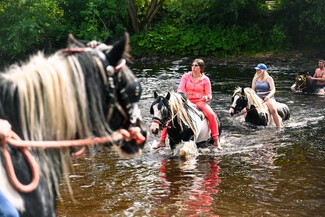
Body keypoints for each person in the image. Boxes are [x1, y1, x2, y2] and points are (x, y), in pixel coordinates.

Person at [154, 59, 222, 150]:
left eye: (196, 66)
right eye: (193, 65)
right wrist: (181, 95)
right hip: (186, 101)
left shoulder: (206, 79)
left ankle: (216, 140)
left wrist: (207, 97)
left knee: (211, 115)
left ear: (201, 68)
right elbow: (180, 89)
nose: (193, 67)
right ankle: (162, 141)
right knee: (169, 115)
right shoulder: (186, 76)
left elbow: (209, 94)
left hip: (199, 102)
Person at [251, 63, 281, 128]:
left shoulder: (269, 78)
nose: (257, 71)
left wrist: (268, 96)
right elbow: (253, 91)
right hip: (258, 98)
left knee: (273, 109)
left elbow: (273, 90)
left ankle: (278, 126)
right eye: (256, 70)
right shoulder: (255, 79)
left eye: (258, 70)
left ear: (263, 71)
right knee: (246, 109)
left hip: (268, 97)